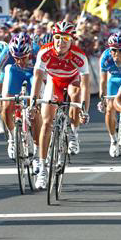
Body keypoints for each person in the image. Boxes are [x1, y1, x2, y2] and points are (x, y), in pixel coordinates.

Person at [30, 20, 91, 190]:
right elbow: (37, 78)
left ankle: (73, 132)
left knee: (75, 93)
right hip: (54, 82)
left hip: (72, 80)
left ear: (72, 40)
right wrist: (32, 103)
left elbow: (86, 85)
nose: (61, 42)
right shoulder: (45, 52)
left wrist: (84, 109)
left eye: (65, 39)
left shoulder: (79, 56)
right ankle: (42, 169)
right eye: (57, 37)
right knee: (47, 122)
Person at [0, 33, 41, 167]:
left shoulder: (37, 51)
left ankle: (38, 152)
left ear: (30, 53)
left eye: (24, 58)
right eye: (17, 58)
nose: (20, 61)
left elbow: (45, 77)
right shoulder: (6, 53)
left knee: (36, 110)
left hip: (34, 74)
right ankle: (12, 138)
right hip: (15, 74)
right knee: (6, 104)